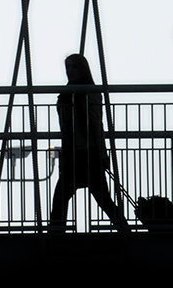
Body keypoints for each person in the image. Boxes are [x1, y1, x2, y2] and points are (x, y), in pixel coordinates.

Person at [48, 54, 128, 233]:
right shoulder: (68, 94)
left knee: (97, 197)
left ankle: (55, 233)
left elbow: (96, 125)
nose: (70, 71)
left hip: (87, 152)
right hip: (75, 152)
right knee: (66, 195)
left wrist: (102, 153)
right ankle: (123, 227)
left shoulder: (88, 92)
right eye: (67, 67)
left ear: (82, 69)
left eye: (73, 67)